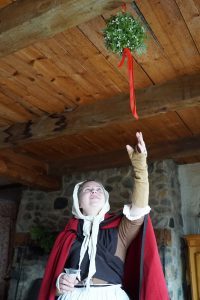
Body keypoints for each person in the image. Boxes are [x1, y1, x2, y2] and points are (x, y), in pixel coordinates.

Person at [38, 132, 169, 300]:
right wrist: (60, 282)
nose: (94, 191)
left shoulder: (120, 229)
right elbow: (52, 285)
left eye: (99, 189)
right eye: (87, 189)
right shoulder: (67, 236)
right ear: (78, 203)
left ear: (105, 199)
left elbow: (139, 207)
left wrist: (140, 167)